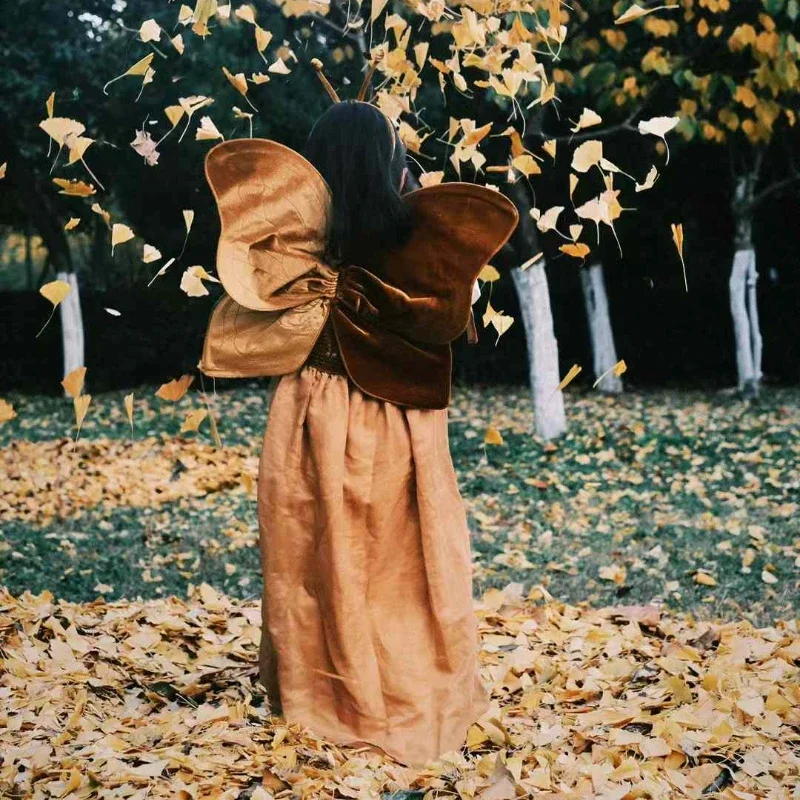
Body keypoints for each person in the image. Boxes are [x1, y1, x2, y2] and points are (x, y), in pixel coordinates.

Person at [199, 63, 518, 766]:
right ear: (391, 164)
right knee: (402, 557)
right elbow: (450, 325)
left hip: (313, 412)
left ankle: (323, 686)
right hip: (401, 419)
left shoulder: (296, 242)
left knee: (320, 551)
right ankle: (400, 686)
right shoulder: (416, 243)